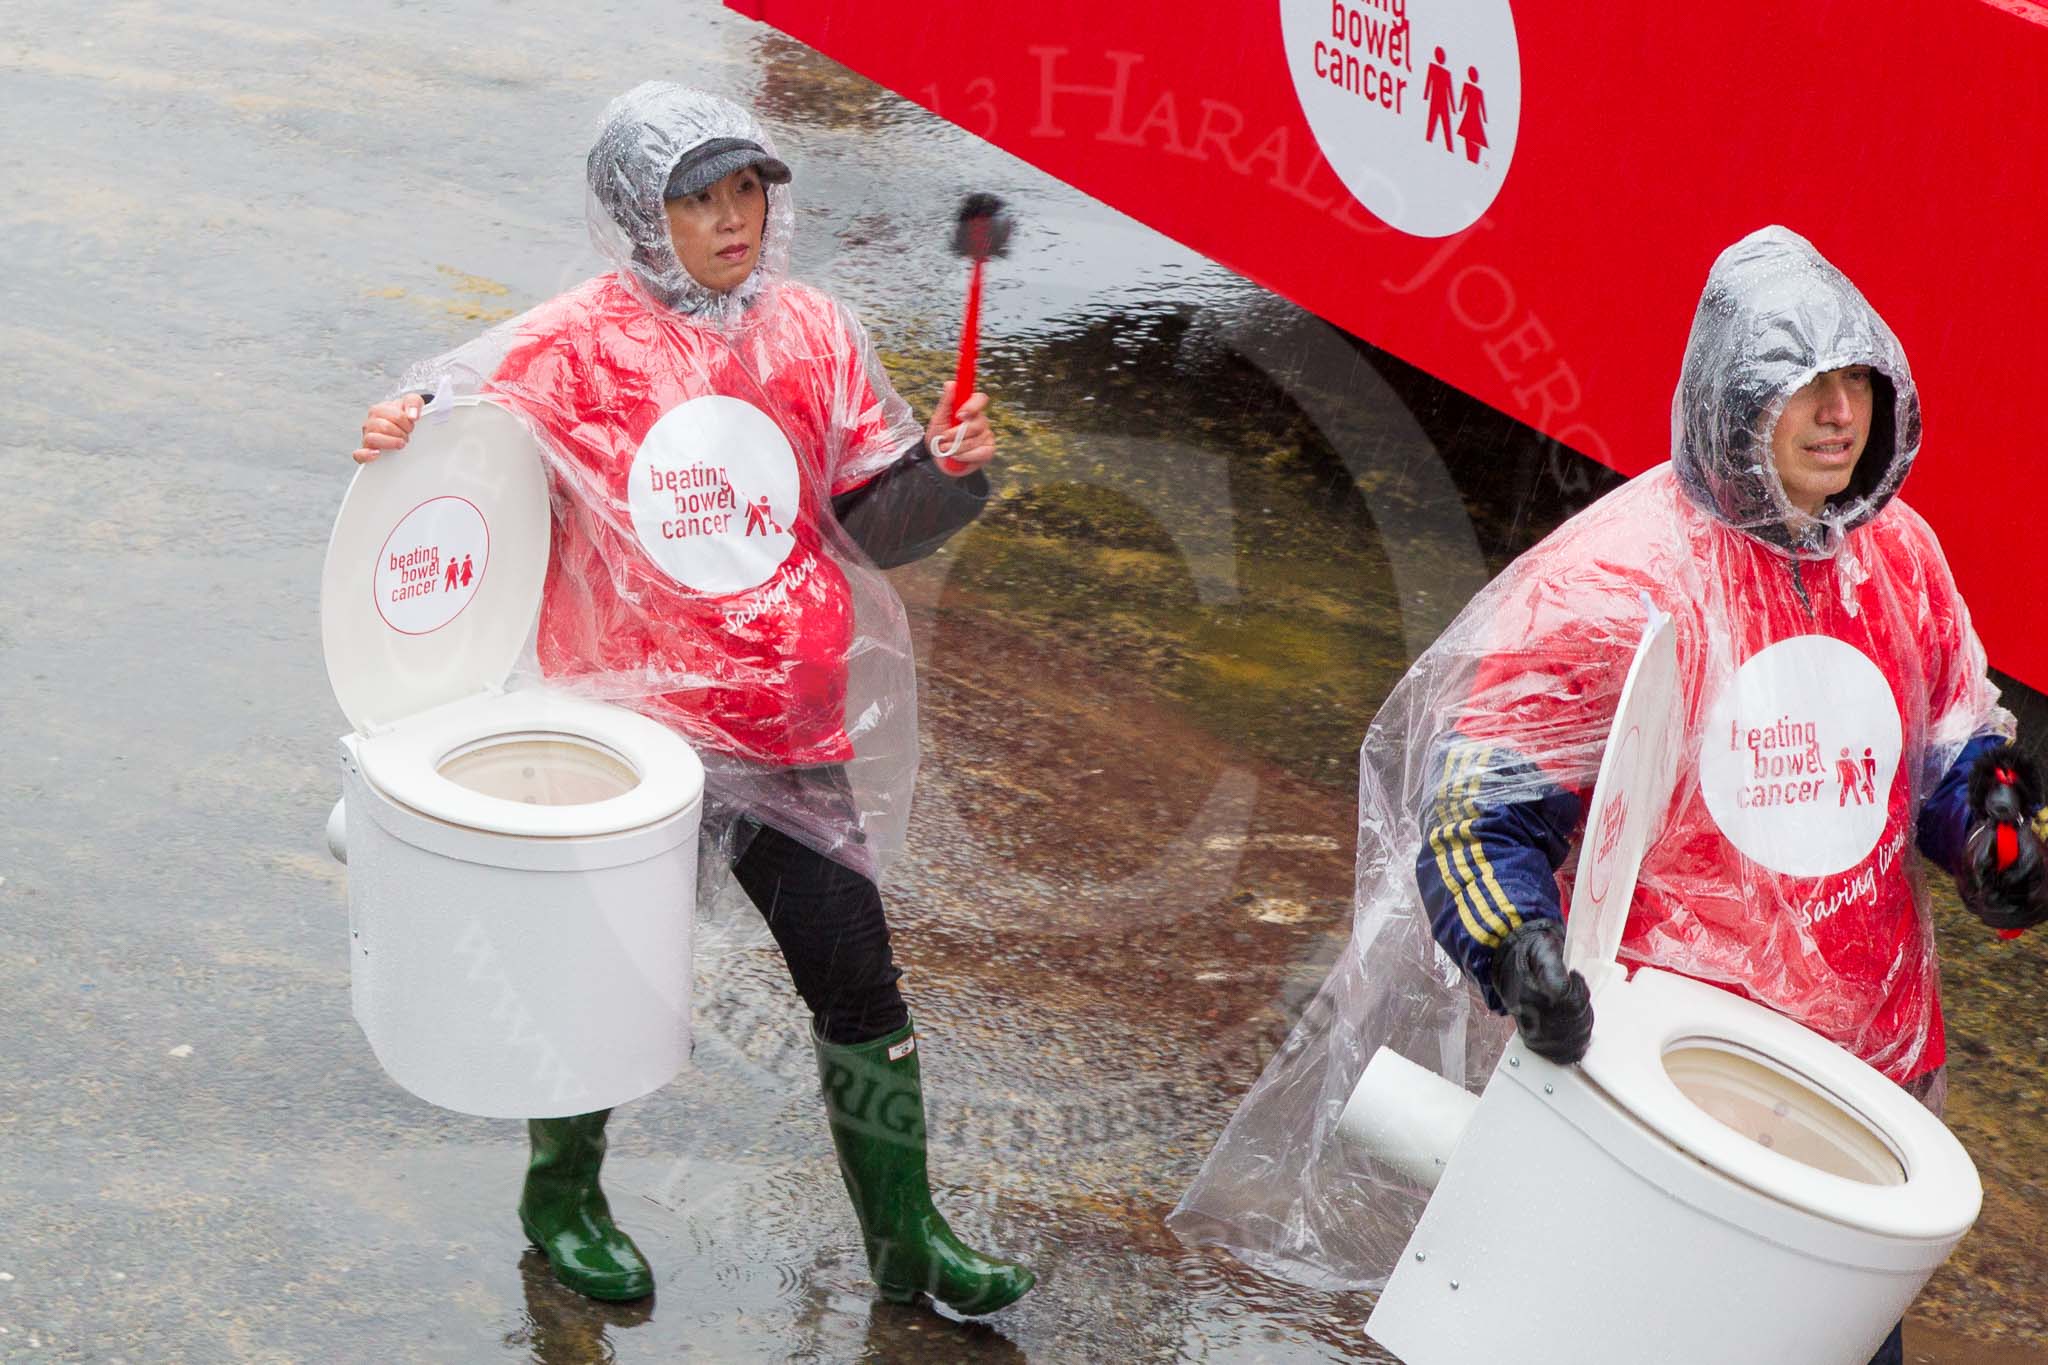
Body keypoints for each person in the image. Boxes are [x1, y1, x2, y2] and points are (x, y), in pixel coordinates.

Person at [1171, 227, 2046, 1365]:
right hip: (1663, 1087)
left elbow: (1941, 756)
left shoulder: (1899, 559)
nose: (1840, 415)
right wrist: (1514, 950)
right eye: (1805, 387)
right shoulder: (1615, 581)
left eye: (1857, 384)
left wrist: (1992, 841)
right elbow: (1478, 812)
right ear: (1737, 395)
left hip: (1854, 1081)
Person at [352, 82, 1035, 1316]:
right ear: (635, 209)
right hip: (628, 741)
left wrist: (947, 474)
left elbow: (869, 527)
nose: (733, 220)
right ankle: (563, 1197)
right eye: (699, 198)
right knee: (590, 978)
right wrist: (401, 425)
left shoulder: (814, 333)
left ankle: (907, 1237)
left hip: (783, 730)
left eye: (747, 192)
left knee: (858, 986)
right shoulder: (569, 346)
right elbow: (448, 453)